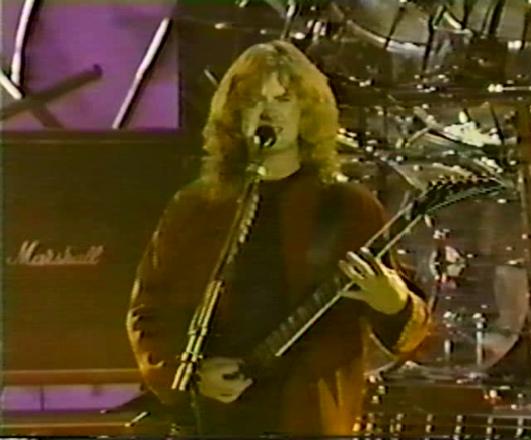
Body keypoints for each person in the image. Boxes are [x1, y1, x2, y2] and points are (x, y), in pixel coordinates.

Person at [126, 40, 430, 436]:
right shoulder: (196, 207)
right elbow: (150, 311)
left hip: (308, 417)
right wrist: (191, 375)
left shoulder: (348, 206)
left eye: (283, 99)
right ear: (235, 115)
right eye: (255, 100)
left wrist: (394, 303)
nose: (269, 111)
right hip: (211, 419)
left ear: (306, 112)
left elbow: (409, 334)